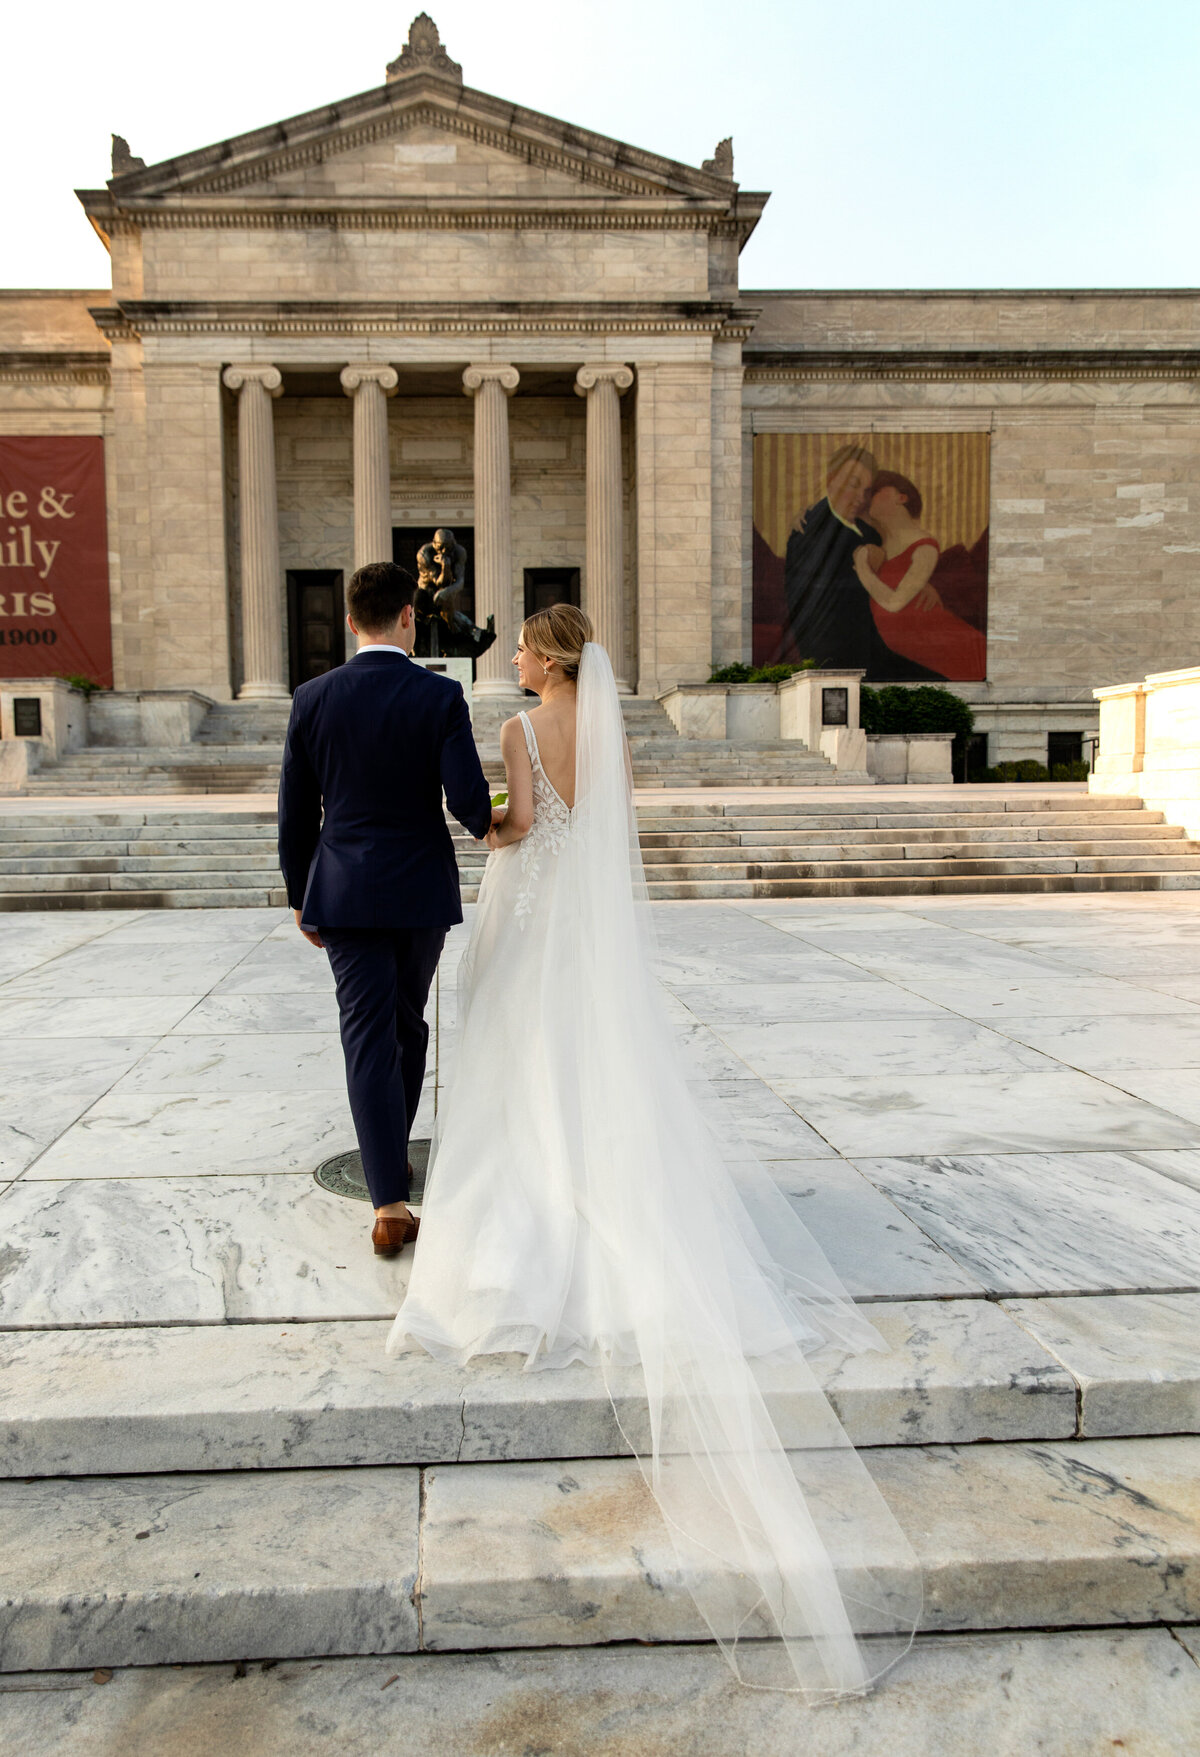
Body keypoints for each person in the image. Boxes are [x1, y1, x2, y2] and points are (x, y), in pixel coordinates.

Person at [388, 603, 921, 1699]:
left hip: (530, 922)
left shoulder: (522, 728)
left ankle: (532, 1215)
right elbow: (600, 830)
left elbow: (522, 828)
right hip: (591, 941)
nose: (517, 661)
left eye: (525, 649)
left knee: (515, 1067)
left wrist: (481, 822)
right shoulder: (614, 730)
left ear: (546, 654)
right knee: (592, 1071)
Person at [277, 560, 494, 1258]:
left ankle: (388, 1199)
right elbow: (465, 799)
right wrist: (504, 823)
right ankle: (391, 1163)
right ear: (410, 615)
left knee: (369, 1033)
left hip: (341, 891)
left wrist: (301, 897)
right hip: (420, 890)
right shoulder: (439, 697)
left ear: (349, 620)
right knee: (406, 1022)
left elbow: (294, 816)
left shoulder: (312, 697)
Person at [853, 471, 986, 681]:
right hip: (908, 653)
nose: (868, 498)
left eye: (876, 491)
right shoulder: (879, 545)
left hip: (951, 649)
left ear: (901, 497)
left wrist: (862, 568)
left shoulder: (924, 546)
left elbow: (894, 603)